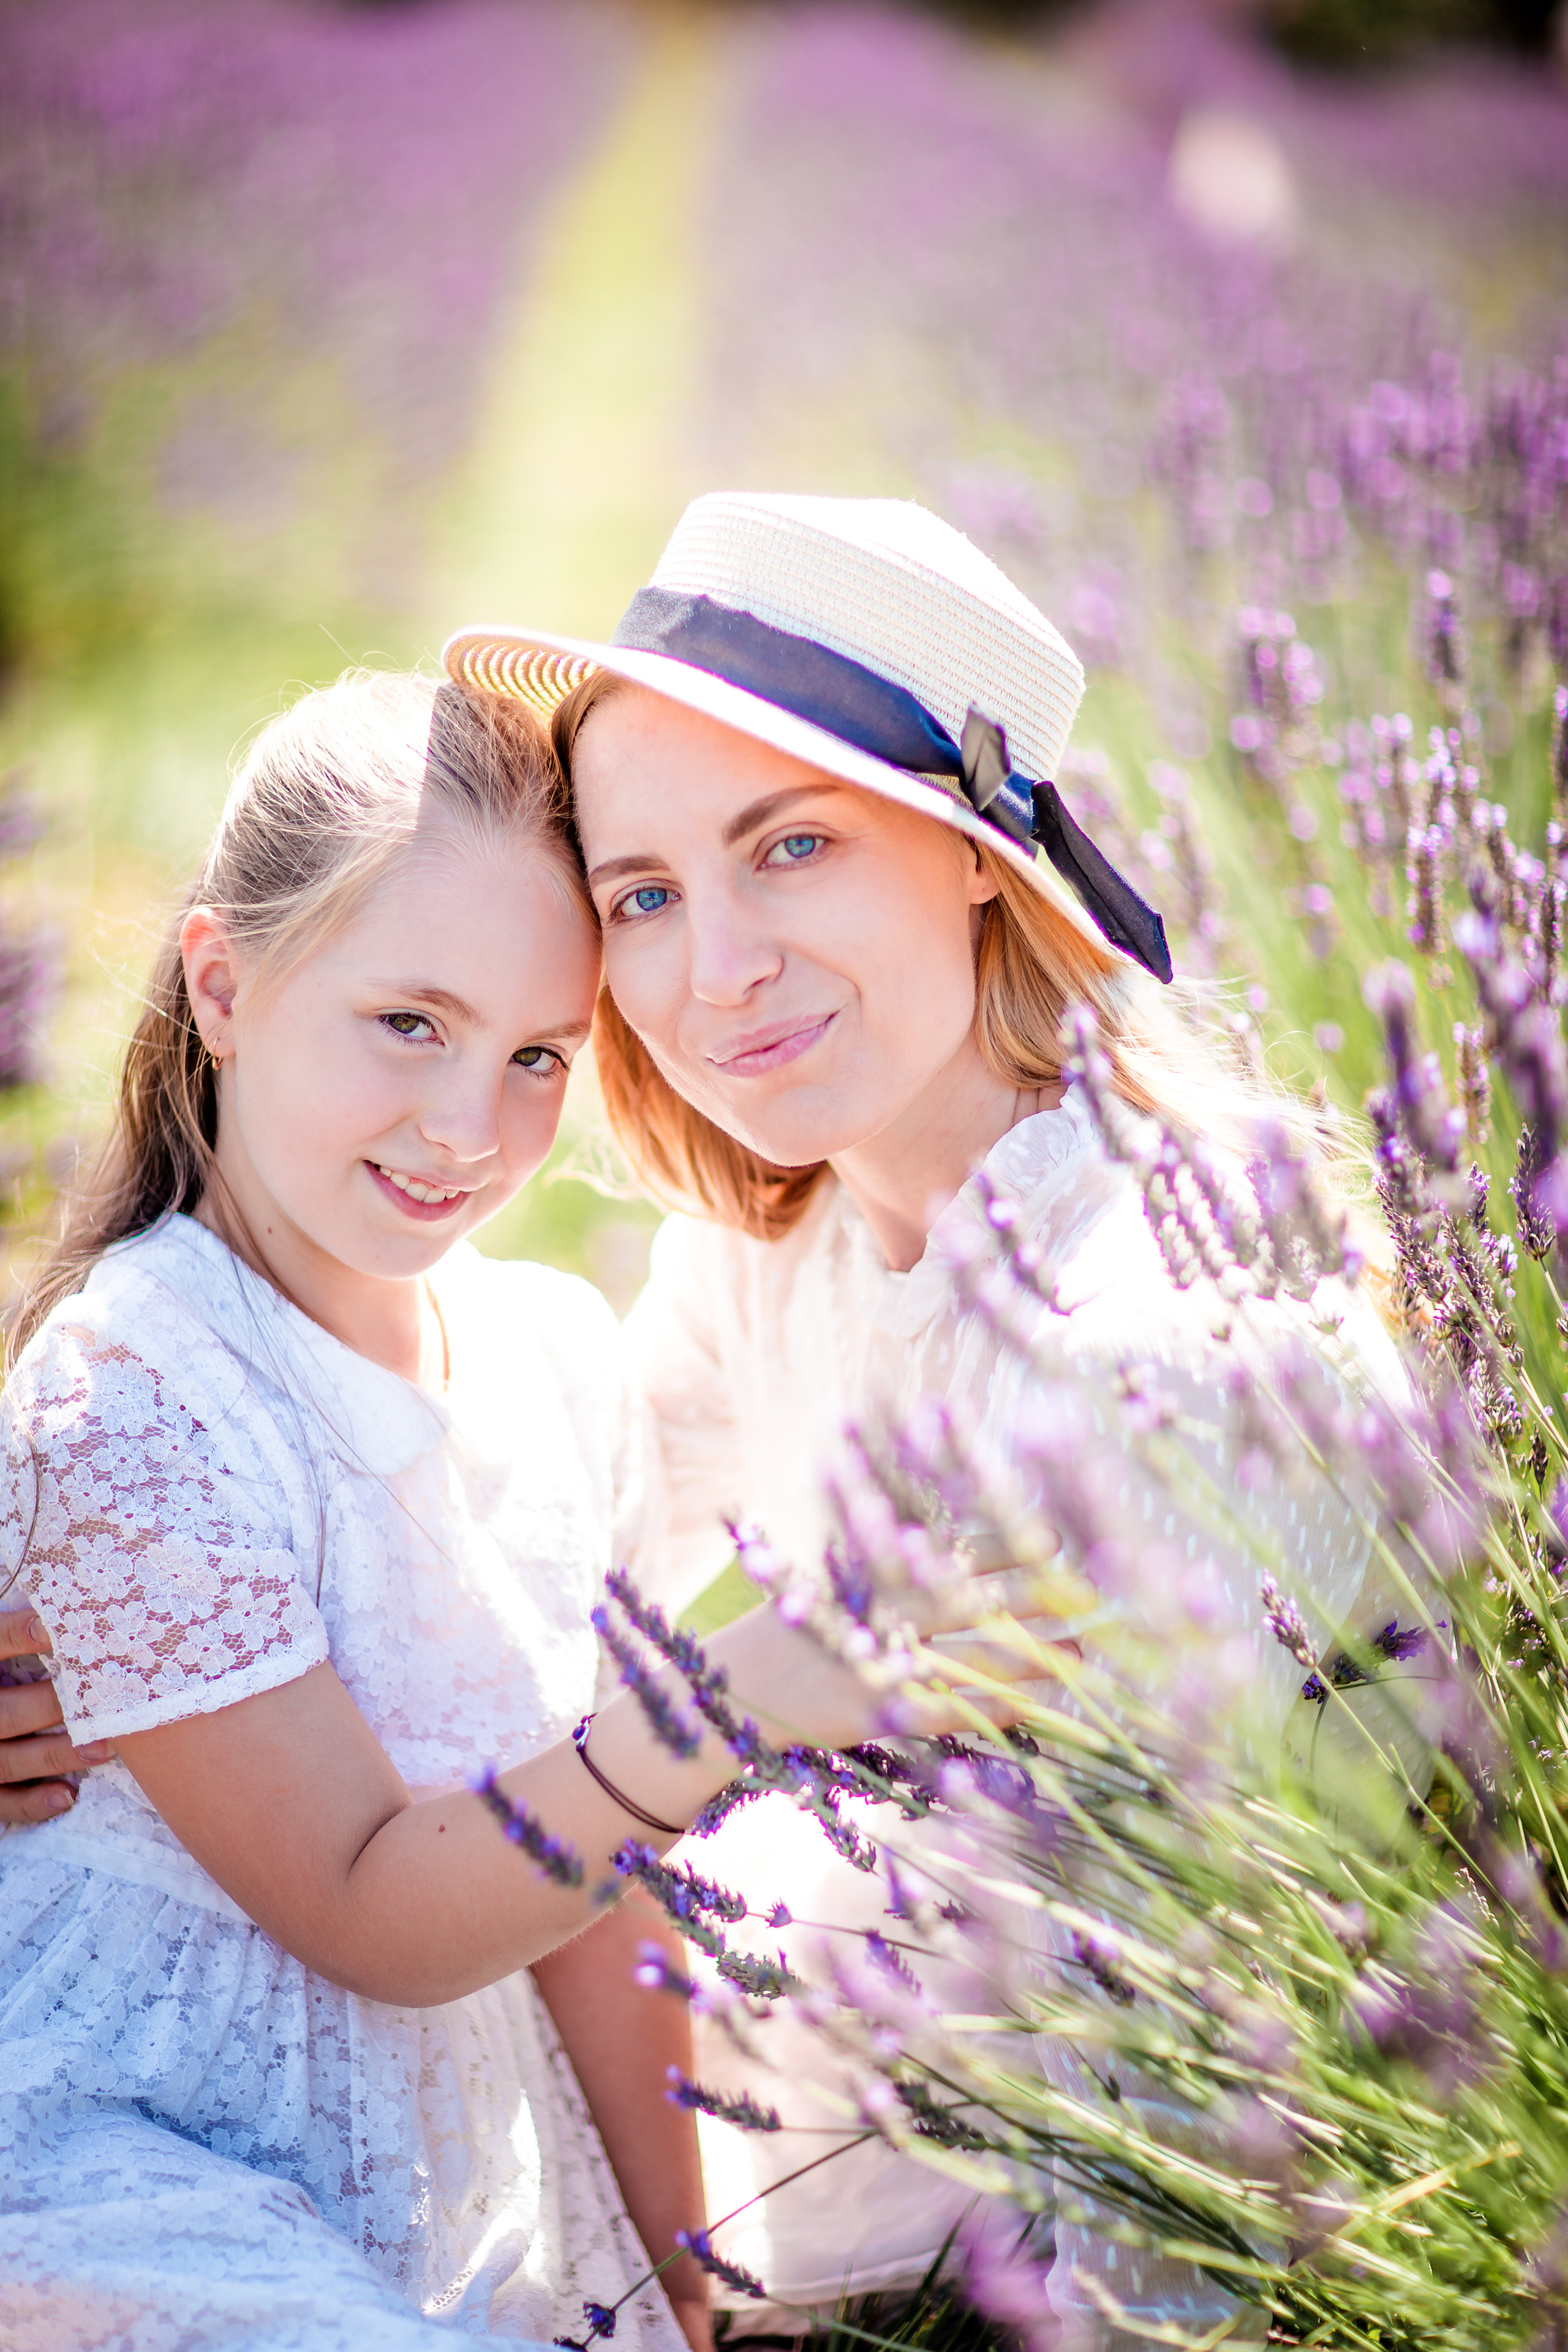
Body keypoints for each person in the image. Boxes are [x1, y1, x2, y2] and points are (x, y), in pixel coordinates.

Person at [440, 492, 1409, 2347]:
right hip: (819, 2224)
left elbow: (1112, 2076)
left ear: (980, 852)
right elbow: (527, 1599)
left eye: (789, 847)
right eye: (641, 894)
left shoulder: (1162, 1339)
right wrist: (180, 1670)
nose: (711, 971)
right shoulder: (779, 1260)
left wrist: (602, 1777)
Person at [0, 668, 1020, 2352]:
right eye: (409, 1023)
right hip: (140, 2149)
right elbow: (369, 1911)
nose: (469, 1128)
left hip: (430, 2169)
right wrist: (725, 1706)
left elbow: (595, 1896)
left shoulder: (550, 1351)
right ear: (225, 984)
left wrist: (697, 2299)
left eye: (540, 1053)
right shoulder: (134, 1388)